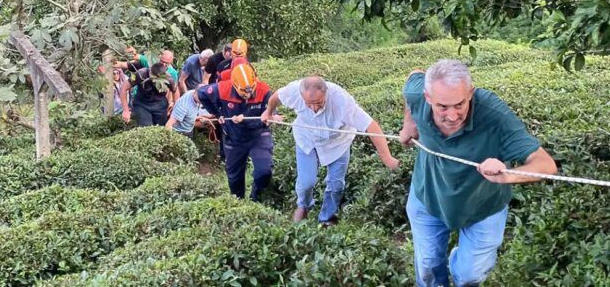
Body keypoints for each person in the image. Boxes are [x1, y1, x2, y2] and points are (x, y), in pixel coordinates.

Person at [399, 59, 557, 286]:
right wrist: (409, 123)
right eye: (442, 107)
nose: (452, 116)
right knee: (428, 270)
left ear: (471, 93)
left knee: (469, 277)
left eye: (460, 105)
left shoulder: (495, 115)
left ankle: (457, 264)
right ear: (428, 97)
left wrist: (506, 175)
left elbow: (545, 164)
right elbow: (413, 75)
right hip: (428, 197)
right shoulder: (418, 95)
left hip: (483, 205)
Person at [261, 76, 399, 225]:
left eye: (319, 103)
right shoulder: (294, 91)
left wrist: (387, 158)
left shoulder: (341, 101)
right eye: (309, 104)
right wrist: (269, 112)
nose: (314, 108)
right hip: (307, 139)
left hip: (337, 143)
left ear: (326, 94)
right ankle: (303, 205)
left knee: (336, 184)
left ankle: (327, 217)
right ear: (301, 96)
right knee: (306, 182)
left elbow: (371, 126)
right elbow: (276, 97)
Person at [196, 64, 277, 200]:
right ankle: (238, 201)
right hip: (234, 137)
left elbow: (269, 115)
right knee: (234, 177)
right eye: (243, 92)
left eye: (251, 91)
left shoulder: (264, 90)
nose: (248, 95)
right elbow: (201, 93)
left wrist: (269, 116)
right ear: (234, 85)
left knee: (264, 171)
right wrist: (217, 113)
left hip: (258, 135)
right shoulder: (222, 89)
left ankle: (256, 198)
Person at [115, 48, 180, 108]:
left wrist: (168, 104)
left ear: (171, 62)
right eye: (162, 61)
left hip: (157, 101)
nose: (164, 65)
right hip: (140, 97)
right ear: (159, 57)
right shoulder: (150, 61)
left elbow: (172, 90)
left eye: (167, 63)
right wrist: (129, 52)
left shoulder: (172, 73)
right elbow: (136, 57)